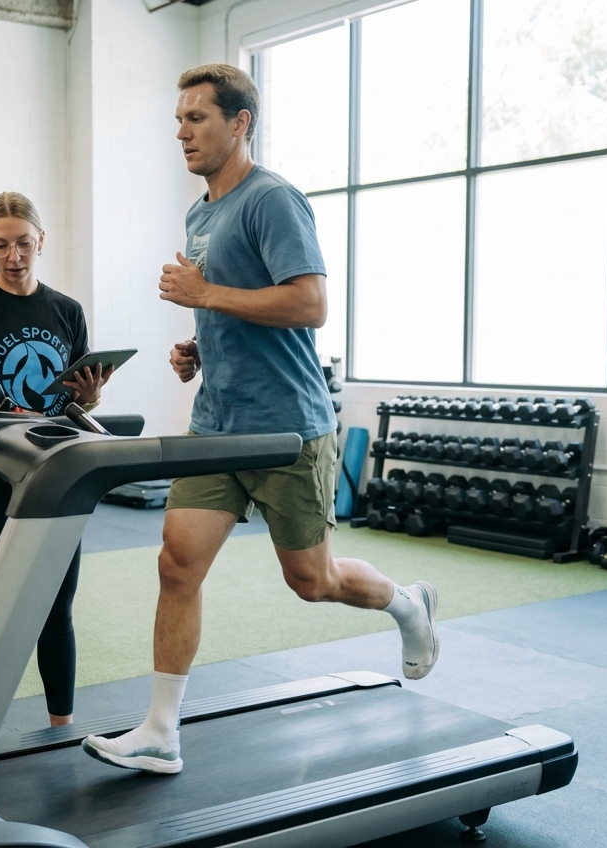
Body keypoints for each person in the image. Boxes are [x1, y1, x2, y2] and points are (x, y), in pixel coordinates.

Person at [82, 64, 439, 773]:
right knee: (177, 567)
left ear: (239, 122)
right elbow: (228, 308)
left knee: (312, 581)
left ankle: (407, 605)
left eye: (197, 118)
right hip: (217, 422)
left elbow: (310, 306)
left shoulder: (273, 200)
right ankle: (160, 731)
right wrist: (197, 351)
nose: (182, 132)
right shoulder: (201, 211)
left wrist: (206, 294)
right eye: (178, 120)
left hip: (288, 428)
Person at [0, 191, 112, 727]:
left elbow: (72, 405)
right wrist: (0, 412)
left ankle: (61, 726)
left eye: (23, 243)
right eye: (1, 245)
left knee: (54, 608)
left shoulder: (66, 311)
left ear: (41, 240)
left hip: (53, 478)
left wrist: (87, 398)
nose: (14, 256)